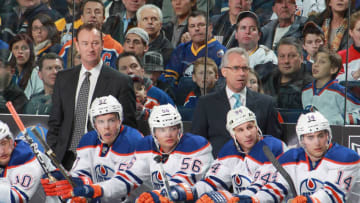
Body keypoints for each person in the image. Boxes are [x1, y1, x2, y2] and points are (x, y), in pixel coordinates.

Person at [44, 104, 214, 202]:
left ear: (180, 129)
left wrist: (161, 195)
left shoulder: (197, 146)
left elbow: (185, 180)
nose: (168, 134)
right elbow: (125, 180)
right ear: (153, 132)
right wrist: (94, 189)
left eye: (173, 128)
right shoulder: (146, 146)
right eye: (162, 129)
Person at [47, 23, 136, 170]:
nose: (90, 48)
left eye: (95, 43)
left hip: (102, 160)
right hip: (66, 158)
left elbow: (128, 127)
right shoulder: (63, 78)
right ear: (77, 45)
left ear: (102, 45)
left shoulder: (120, 81)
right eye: (85, 43)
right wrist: (55, 152)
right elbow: (55, 121)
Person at [157, 106, 287, 202]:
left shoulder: (272, 147)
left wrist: (231, 198)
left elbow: (261, 188)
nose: (247, 134)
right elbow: (212, 182)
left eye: (250, 127)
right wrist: (184, 191)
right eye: (240, 130)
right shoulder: (229, 150)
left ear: (256, 127)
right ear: (232, 134)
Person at [236, 111, 360, 202]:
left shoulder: (345, 158)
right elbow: (276, 188)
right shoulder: (291, 158)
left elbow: (333, 194)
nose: (317, 142)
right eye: (310, 137)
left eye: (320, 135)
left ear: (328, 136)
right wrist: (254, 199)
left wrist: (308, 201)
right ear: (302, 140)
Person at [42, 95, 143, 202]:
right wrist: (66, 178)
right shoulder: (88, 140)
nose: (106, 127)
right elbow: (82, 174)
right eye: (101, 121)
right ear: (94, 124)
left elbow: (121, 188)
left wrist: (89, 190)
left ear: (119, 120)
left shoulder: (133, 141)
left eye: (111, 120)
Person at [192, 47, 282, 157]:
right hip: (219, 167)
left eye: (245, 68)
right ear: (224, 71)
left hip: (257, 168)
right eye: (236, 68)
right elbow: (197, 145)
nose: (242, 73)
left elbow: (275, 144)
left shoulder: (267, 103)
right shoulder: (206, 104)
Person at [161, 10, 226, 89]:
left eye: (201, 25)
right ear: (188, 29)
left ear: (210, 27)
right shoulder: (181, 49)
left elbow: (221, 84)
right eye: (192, 26)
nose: (197, 29)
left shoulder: (221, 52)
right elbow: (170, 78)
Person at [0, 120, 59, 202]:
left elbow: (15, 198)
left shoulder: (27, 161)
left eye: (3, 143)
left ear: (11, 142)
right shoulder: (6, 158)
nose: (1, 151)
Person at [302, 47, 360, 125]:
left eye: (322, 62)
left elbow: (358, 113)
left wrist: (339, 120)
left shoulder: (339, 91)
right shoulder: (306, 90)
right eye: (315, 61)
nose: (315, 65)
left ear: (333, 69)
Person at [59, 0, 124, 69]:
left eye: (97, 12)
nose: (93, 15)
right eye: (88, 12)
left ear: (103, 18)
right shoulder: (69, 47)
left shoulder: (116, 48)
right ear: (82, 18)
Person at [262, 37, 313, 109]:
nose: (286, 61)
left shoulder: (310, 86)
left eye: (292, 56)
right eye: (282, 56)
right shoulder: (268, 80)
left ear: (301, 58)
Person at [8, 33, 44, 99]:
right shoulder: (8, 72)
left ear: (31, 51)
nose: (20, 51)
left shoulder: (37, 72)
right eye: (16, 48)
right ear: (11, 52)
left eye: (24, 48)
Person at [337, 11, 360, 81]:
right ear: (351, 32)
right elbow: (334, 81)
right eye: (359, 30)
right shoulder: (341, 56)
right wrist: (355, 75)